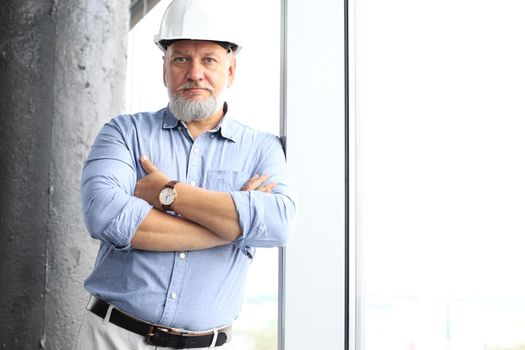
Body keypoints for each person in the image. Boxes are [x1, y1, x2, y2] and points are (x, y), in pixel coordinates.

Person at [73, 0, 296, 349]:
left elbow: (278, 223)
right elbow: (104, 214)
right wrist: (231, 227)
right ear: (165, 69)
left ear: (231, 70)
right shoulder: (123, 134)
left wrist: (169, 191)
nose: (194, 73)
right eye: (181, 59)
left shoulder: (262, 149)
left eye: (209, 59)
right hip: (113, 338)